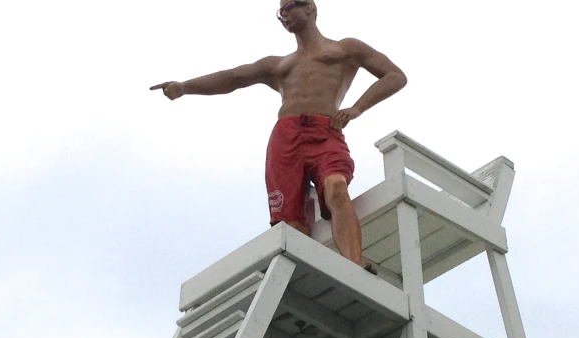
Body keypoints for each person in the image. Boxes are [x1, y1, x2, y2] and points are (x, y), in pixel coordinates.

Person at [151, 0, 407, 272]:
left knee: (336, 187)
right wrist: (185, 87)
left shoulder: (346, 48)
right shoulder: (279, 64)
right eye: (280, 12)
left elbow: (394, 76)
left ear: (310, 7)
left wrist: (357, 108)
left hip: (325, 130)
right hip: (286, 136)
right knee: (290, 219)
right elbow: (234, 77)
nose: (284, 14)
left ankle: (354, 265)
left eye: (289, 7)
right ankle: (297, 277)